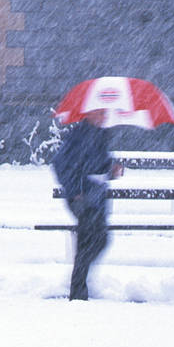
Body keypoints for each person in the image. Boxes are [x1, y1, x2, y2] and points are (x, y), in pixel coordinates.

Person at [51, 109, 123, 301]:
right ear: (88, 114)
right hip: (83, 198)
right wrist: (75, 191)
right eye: (99, 113)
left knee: (96, 241)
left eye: (105, 114)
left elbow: (96, 164)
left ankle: (78, 288)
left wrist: (111, 169)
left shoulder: (99, 136)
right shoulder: (79, 136)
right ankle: (78, 291)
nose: (103, 117)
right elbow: (60, 164)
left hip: (96, 198)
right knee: (93, 241)